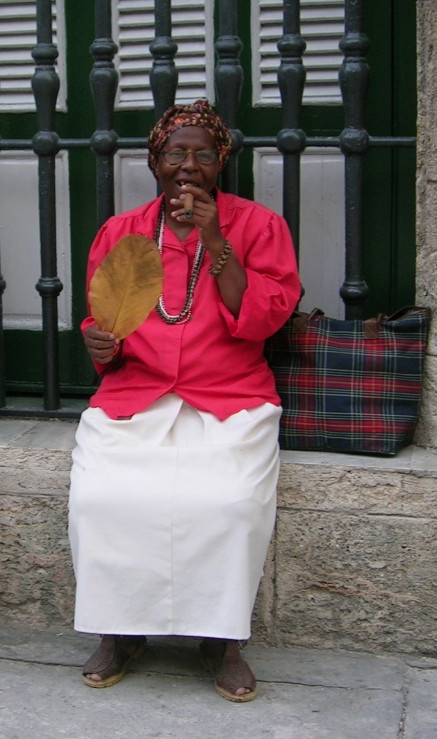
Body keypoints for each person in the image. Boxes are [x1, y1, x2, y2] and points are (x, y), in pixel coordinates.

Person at [68, 100, 301, 702]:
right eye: (176, 152)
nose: (189, 165)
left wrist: (214, 238)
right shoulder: (122, 233)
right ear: (155, 162)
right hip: (135, 394)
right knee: (102, 497)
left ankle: (221, 642)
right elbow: (106, 333)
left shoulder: (258, 226)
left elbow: (261, 321)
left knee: (229, 502)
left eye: (203, 153)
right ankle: (119, 632)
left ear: (221, 162)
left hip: (229, 396)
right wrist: (99, 341)